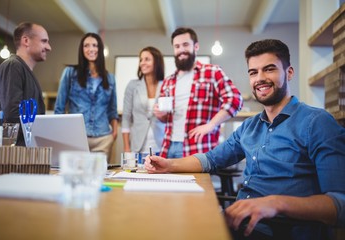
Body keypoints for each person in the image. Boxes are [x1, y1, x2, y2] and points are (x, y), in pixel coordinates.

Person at [145, 39, 345, 239]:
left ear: (289, 72)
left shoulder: (317, 122)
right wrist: (169, 164)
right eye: (253, 72)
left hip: (281, 232)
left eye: (269, 69)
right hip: (238, 224)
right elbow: (211, 159)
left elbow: (339, 204)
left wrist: (275, 203)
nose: (260, 78)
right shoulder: (250, 126)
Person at [153, 27, 243, 158]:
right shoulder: (168, 81)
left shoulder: (212, 72)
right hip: (168, 147)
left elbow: (235, 99)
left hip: (198, 148)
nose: (181, 50)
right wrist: (160, 115)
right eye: (177, 46)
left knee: (199, 180)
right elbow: (165, 119)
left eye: (185, 45)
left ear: (196, 46)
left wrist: (211, 125)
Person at [54, 33, 118, 161]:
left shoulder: (110, 78)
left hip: (103, 138)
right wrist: (60, 134)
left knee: (99, 178)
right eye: (86, 46)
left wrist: (114, 133)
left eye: (95, 45)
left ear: (99, 49)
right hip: (76, 137)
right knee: (76, 176)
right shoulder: (70, 73)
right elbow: (59, 107)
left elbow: (112, 110)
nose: (91, 49)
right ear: (81, 49)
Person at [0, 22, 51, 146]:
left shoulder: (22, 70)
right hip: (11, 158)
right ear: (26, 40)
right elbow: (12, 113)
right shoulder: (12, 66)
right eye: (44, 41)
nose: (49, 47)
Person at [121, 46, 165, 154]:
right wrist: (127, 149)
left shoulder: (166, 85)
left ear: (157, 62)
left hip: (161, 146)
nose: (142, 63)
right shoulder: (133, 86)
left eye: (147, 59)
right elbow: (126, 118)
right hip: (138, 148)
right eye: (141, 60)